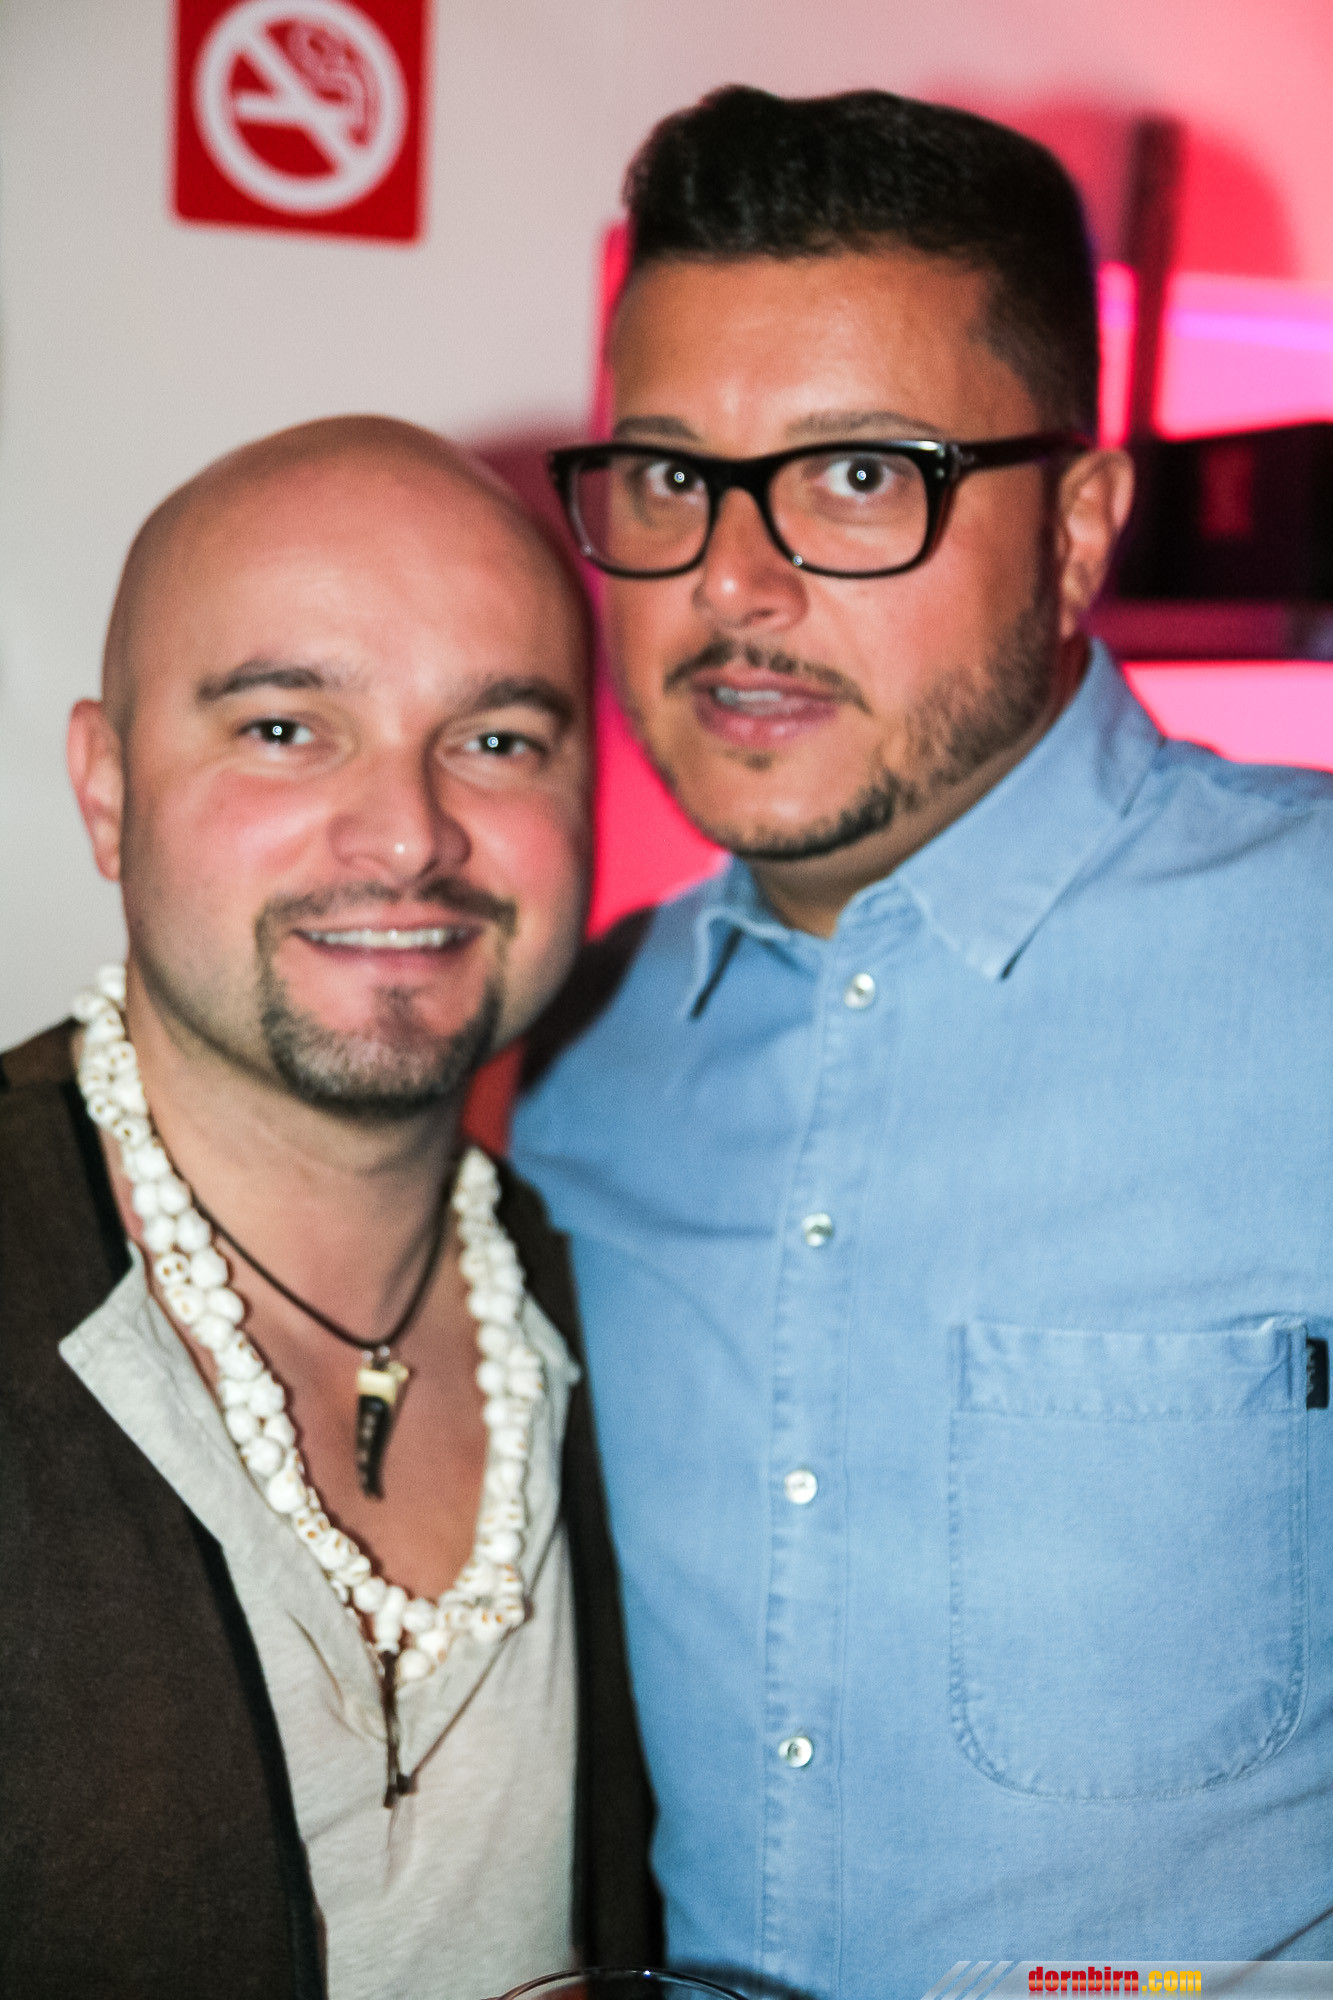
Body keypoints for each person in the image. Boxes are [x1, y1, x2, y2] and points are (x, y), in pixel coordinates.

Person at [512, 86, 1333, 1998]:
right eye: (668, 476)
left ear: (1080, 528)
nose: (732, 584)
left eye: (862, 476)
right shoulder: (568, 1057)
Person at [0, 417, 660, 2000]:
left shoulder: (639, 1298)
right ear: (107, 787)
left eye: (496, 739)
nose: (409, 832)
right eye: (287, 728)